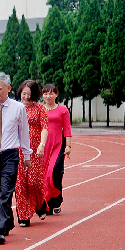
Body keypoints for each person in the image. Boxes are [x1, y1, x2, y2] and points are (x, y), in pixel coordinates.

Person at [0, 72, 32, 244]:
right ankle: (6, 219)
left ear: (9, 88)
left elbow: (23, 133)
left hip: (10, 155)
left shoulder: (18, 108)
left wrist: (27, 155)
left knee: (6, 192)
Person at [14, 80, 49, 227]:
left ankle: (40, 204)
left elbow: (45, 127)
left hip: (35, 150)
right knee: (21, 184)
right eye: (24, 94)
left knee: (34, 182)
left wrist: (42, 144)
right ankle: (24, 216)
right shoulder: (15, 108)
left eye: (29, 94)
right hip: (18, 149)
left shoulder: (40, 108)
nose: (26, 97)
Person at [39, 83, 72, 216]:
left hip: (58, 145)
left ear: (56, 95)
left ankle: (57, 199)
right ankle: (48, 203)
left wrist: (68, 146)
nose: (48, 96)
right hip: (43, 146)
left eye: (51, 93)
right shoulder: (40, 109)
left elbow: (67, 128)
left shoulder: (63, 110)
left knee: (55, 172)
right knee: (44, 175)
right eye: (45, 93)